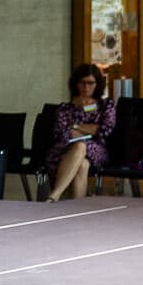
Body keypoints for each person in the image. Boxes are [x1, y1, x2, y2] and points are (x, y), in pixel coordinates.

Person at [46, 63, 117, 201]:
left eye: (90, 83)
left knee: (80, 146)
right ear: (75, 84)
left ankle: (54, 195)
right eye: (82, 83)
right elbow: (62, 133)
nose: (86, 87)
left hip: (97, 149)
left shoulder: (105, 105)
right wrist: (89, 128)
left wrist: (75, 126)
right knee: (83, 164)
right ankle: (76, 207)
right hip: (64, 149)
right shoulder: (66, 108)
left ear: (97, 84)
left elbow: (103, 130)